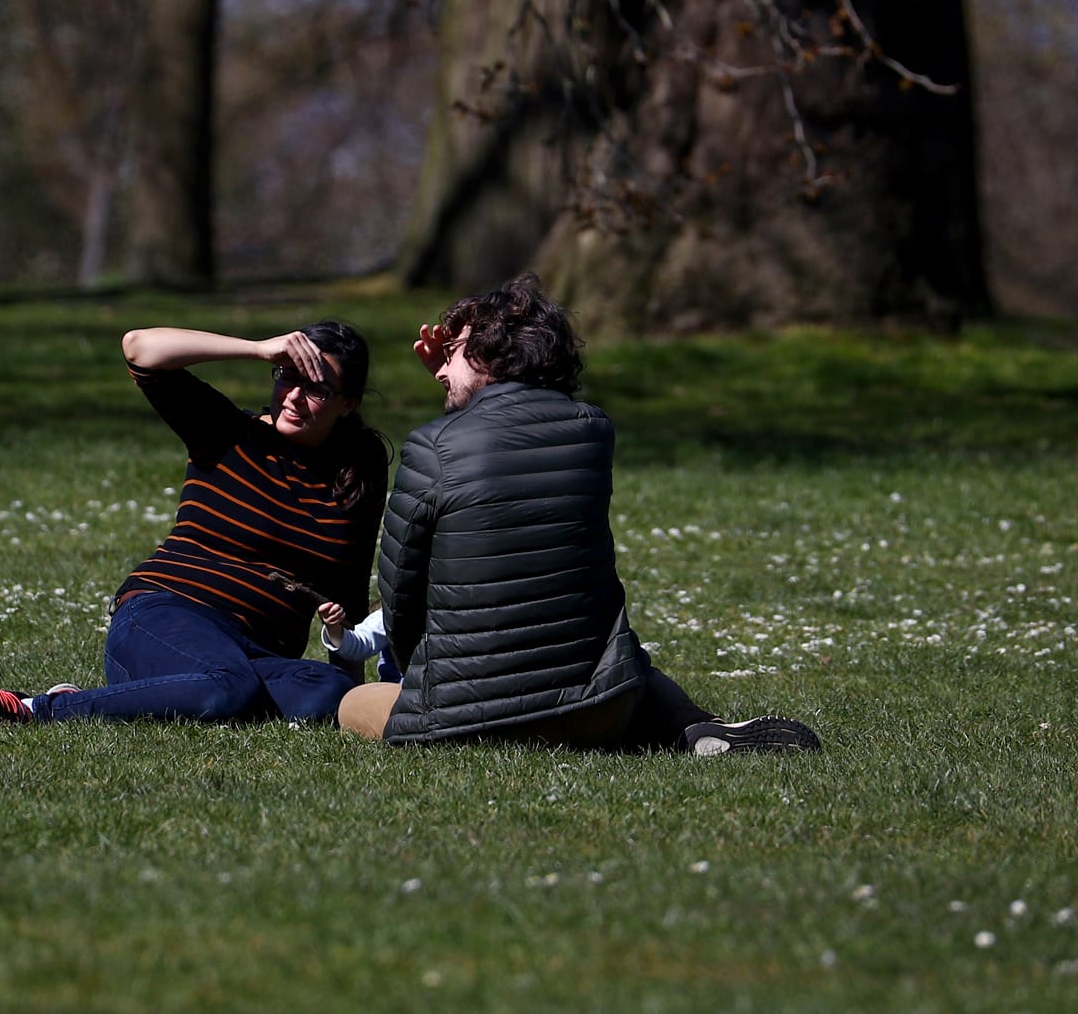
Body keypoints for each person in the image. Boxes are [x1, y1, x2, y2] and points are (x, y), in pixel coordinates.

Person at [337, 274, 821, 755]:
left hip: (466, 723)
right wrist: (464, 383)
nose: (441, 369)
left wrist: (418, 673)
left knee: (353, 703)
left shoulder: (430, 445)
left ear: (491, 353)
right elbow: (508, 441)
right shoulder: (593, 432)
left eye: (452, 353)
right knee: (626, 660)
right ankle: (694, 726)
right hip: (599, 714)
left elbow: (400, 593)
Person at [0, 321, 389, 726]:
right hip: (167, 614)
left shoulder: (357, 472)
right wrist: (259, 348)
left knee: (325, 689)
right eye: (287, 376)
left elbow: (347, 588)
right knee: (226, 688)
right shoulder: (227, 432)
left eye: (317, 389)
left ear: (348, 403)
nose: (294, 396)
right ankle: (39, 708)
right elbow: (139, 348)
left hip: (259, 652)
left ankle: (184, 695)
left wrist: (351, 698)